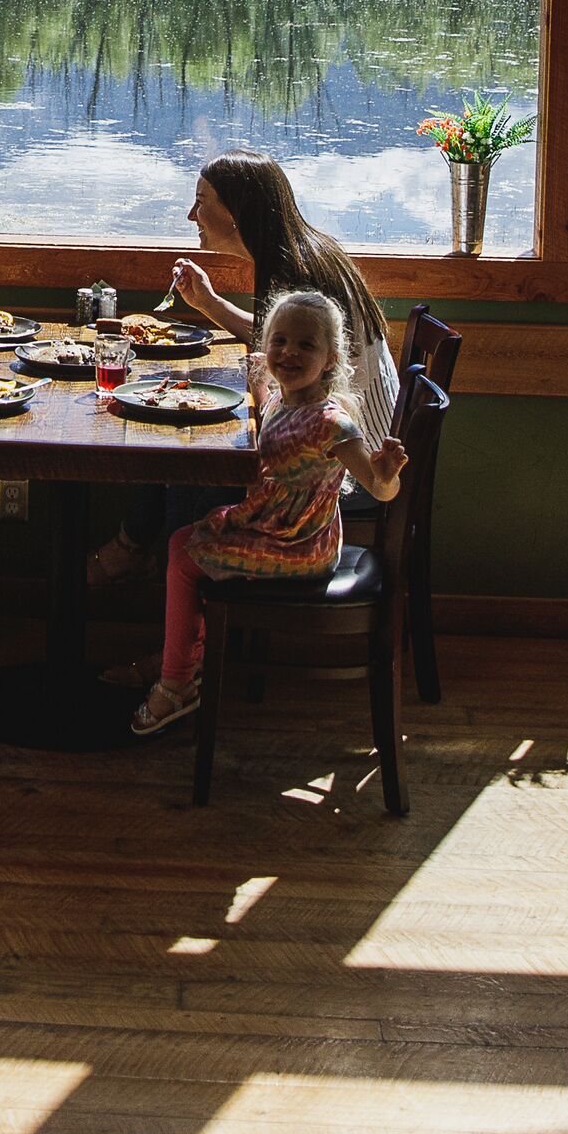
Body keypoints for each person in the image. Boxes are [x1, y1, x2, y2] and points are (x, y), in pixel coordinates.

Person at [88, 152, 396, 587]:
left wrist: (212, 307)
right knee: (178, 442)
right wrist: (210, 304)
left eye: (201, 201)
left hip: (349, 467)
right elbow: (279, 345)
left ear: (237, 212)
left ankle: (185, 623)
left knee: (190, 469)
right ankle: (140, 558)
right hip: (338, 449)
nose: (191, 214)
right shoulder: (303, 254)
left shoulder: (298, 272)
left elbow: (298, 365)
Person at [129, 290, 407, 737]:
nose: (289, 353)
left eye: (305, 346)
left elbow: (381, 489)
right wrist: (259, 369)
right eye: (280, 341)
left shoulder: (332, 424)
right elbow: (266, 387)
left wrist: (386, 471)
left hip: (300, 545)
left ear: (331, 359)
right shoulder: (282, 398)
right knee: (186, 532)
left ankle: (176, 682)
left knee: (183, 554)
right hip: (275, 526)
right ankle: (185, 657)